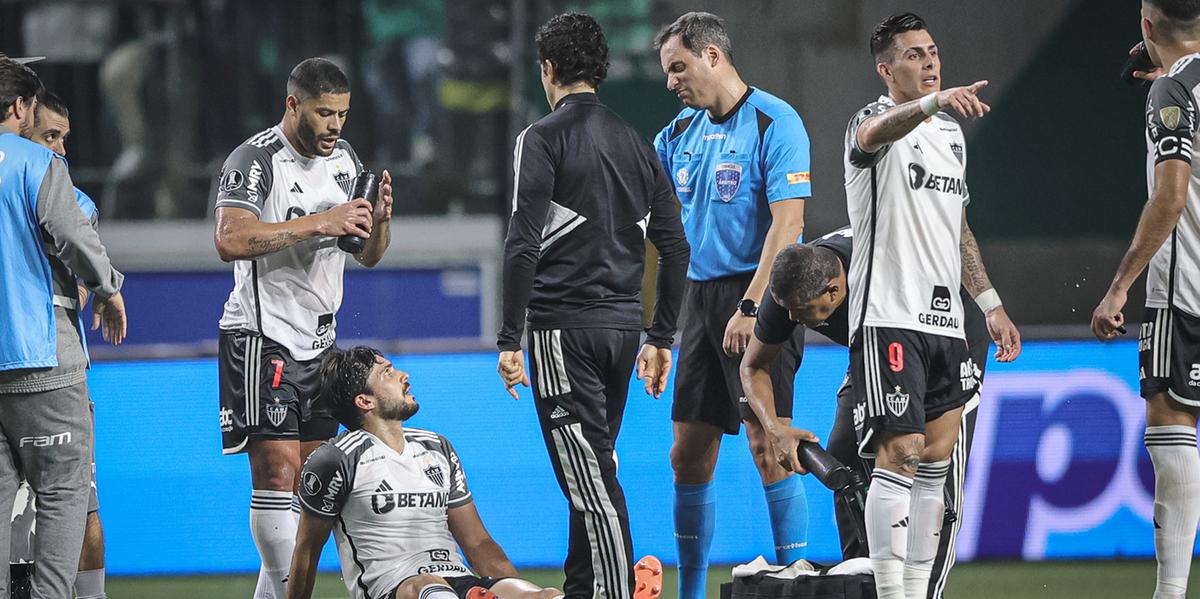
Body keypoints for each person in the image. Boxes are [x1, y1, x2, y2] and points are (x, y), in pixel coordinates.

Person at [496, 12, 688, 599]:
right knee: (594, 470)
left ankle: (613, 592)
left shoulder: (543, 137)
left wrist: (508, 339)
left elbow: (523, 241)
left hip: (563, 332)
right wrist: (660, 336)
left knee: (592, 482)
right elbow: (676, 247)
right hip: (623, 330)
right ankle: (583, 589)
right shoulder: (635, 140)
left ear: (548, 69)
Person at [840, 13, 1022, 599]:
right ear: (885, 69)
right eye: (914, 55)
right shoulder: (869, 122)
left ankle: (915, 592)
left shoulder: (951, 135)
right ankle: (893, 593)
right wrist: (931, 102)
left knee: (936, 461)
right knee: (900, 451)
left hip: (948, 321)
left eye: (933, 51)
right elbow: (872, 140)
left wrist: (990, 303)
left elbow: (959, 228)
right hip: (889, 314)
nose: (929, 61)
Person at [742, 227, 1020, 599]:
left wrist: (993, 307)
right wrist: (776, 429)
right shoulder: (793, 284)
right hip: (872, 343)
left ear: (833, 290)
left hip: (945, 335)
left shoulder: (886, 275)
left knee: (932, 473)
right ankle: (863, 582)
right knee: (844, 453)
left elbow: (954, 236)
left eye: (803, 313)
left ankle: (925, 593)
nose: (793, 319)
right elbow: (753, 367)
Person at [212, 57, 394, 599]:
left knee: (313, 483)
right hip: (260, 336)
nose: (335, 126)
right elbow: (229, 240)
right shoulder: (255, 159)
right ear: (293, 105)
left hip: (321, 346)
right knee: (277, 473)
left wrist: (379, 222)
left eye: (342, 114)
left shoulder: (345, 161)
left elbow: (366, 256)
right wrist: (322, 220)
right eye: (323, 113)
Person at [652, 11, 812, 598]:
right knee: (687, 454)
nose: (671, 82)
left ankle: (793, 578)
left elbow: (789, 224)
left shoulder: (776, 121)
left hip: (763, 294)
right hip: (699, 300)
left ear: (712, 57)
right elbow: (659, 233)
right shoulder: (674, 138)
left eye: (678, 67)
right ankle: (690, 593)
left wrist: (751, 307)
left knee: (768, 442)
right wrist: (657, 330)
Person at [290, 347, 569, 599]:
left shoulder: (437, 447)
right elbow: (307, 550)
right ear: (365, 401)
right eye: (387, 372)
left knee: (547, 595)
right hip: (395, 589)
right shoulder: (336, 458)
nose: (403, 375)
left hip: (460, 583)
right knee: (427, 586)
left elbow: (478, 542)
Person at [0, 56, 126, 599]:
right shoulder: (35, 165)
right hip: (39, 360)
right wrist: (109, 286)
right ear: (19, 108)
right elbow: (72, 239)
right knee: (63, 496)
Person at [1092, 2, 1200, 597]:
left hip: (1187, 292)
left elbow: (1172, 196)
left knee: (1171, 414)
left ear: (1146, 27)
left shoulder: (1173, 94)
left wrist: (1118, 286)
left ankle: (1171, 591)